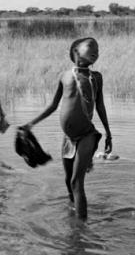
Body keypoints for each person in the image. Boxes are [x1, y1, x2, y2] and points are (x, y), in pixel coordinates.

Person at [21, 37, 112, 220]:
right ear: (76, 52)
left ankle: (81, 228)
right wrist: (31, 123)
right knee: (68, 180)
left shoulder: (96, 77)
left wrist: (108, 133)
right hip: (68, 138)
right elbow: (53, 106)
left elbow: (100, 106)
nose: (96, 51)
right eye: (91, 47)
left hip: (87, 135)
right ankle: (75, 211)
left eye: (98, 49)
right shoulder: (65, 76)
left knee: (76, 181)